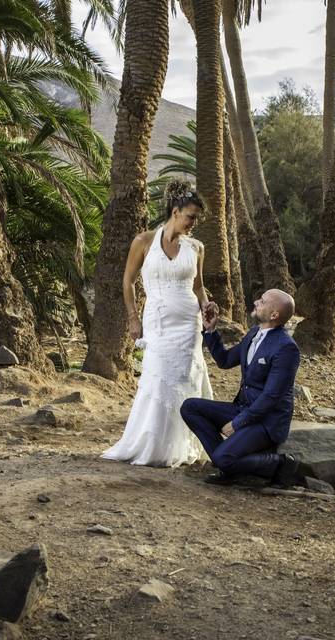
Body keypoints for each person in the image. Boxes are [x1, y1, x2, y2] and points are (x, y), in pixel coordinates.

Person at [101, 179, 217, 467]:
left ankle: (180, 446)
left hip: (189, 326)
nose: (193, 223)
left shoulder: (197, 248)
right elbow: (127, 282)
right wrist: (132, 318)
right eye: (191, 216)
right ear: (175, 211)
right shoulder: (143, 242)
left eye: (196, 218)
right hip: (157, 323)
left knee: (183, 380)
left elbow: (198, 286)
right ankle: (151, 444)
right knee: (157, 375)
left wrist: (206, 305)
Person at [179, 289, 301, 486]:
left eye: (262, 301)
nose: (255, 302)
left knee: (222, 459)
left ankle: (278, 463)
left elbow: (271, 397)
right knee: (190, 407)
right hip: (243, 409)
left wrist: (238, 423)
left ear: (274, 315)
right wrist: (210, 330)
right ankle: (229, 462)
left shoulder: (286, 348)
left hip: (267, 422)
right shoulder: (254, 333)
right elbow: (225, 360)